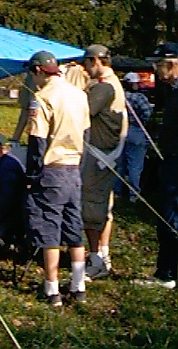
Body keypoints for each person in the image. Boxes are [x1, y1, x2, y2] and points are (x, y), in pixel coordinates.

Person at [24, 51, 91, 307]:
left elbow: (37, 142)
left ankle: (51, 289)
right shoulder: (79, 95)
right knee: (74, 227)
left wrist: (32, 176)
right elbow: (85, 134)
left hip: (51, 169)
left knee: (48, 228)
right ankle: (78, 285)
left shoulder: (42, 99)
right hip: (74, 168)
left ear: (39, 71)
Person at [133, 42, 178, 289]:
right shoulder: (172, 91)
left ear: (172, 64)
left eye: (159, 65)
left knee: (170, 217)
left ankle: (167, 273)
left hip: (175, 161)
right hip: (169, 158)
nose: (157, 71)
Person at [81, 44, 128, 280]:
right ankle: (102, 254)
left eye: (86, 63)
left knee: (91, 208)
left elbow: (83, 112)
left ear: (96, 61)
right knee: (103, 207)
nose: (85, 68)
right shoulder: (113, 84)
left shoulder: (104, 87)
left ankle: (95, 259)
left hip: (99, 156)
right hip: (108, 156)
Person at [114, 72, 154, 203]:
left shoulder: (119, 96)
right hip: (136, 130)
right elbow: (147, 114)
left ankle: (117, 191)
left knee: (120, 164)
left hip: (121, 131)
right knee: (135, 165)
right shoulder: (139, 98)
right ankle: (134, 194)